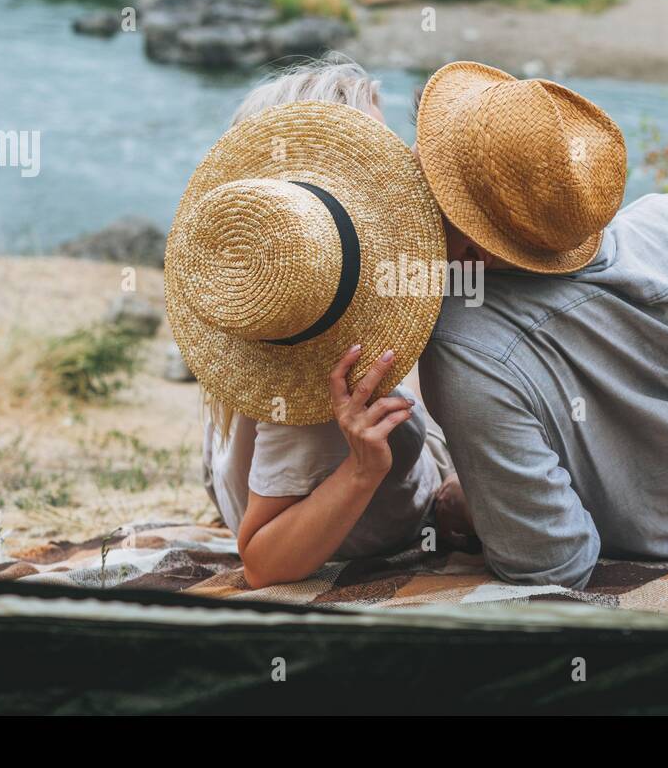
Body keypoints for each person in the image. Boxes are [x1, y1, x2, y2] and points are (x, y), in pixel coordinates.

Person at [414, 61, 668, 588]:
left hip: (639, 539)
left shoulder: (466, 345)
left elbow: (554, 563)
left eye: (431, 175)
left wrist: (469, 506)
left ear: (472, 249)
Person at [166, 57, 457, 590]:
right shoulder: (314, 390)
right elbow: (261, 562)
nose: (404, 167)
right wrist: (362, 471)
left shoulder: (269, 306)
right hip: (395, 510)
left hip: (233, 476)